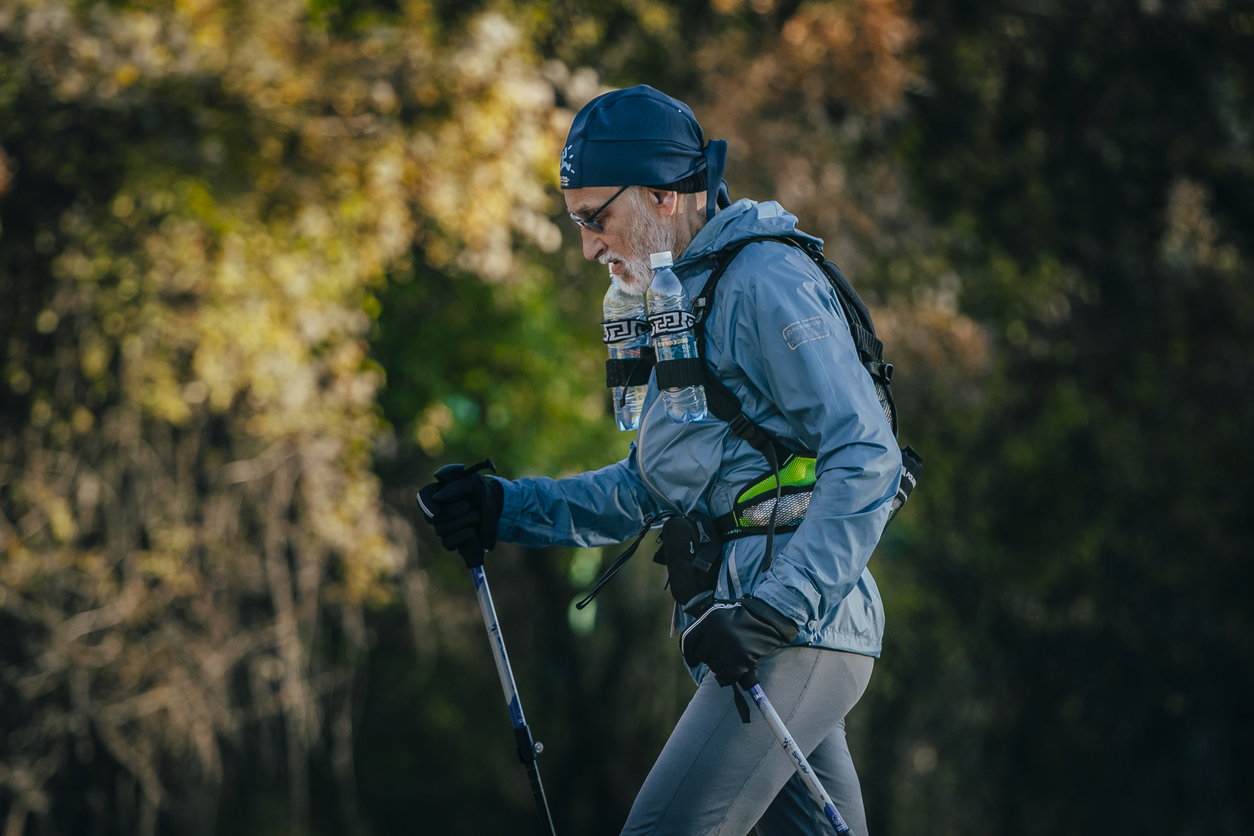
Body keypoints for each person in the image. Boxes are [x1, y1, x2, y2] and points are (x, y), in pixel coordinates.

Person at [419, 85, 903, 836]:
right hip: (756, 636)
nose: (588, 247)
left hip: (793, 632)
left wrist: (775, 612)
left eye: (597, 219)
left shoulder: (761, 282)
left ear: (663, 197)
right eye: (577, 223)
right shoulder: (687, 299)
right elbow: (648, 489)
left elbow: (866, 453)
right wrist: (503, 508)